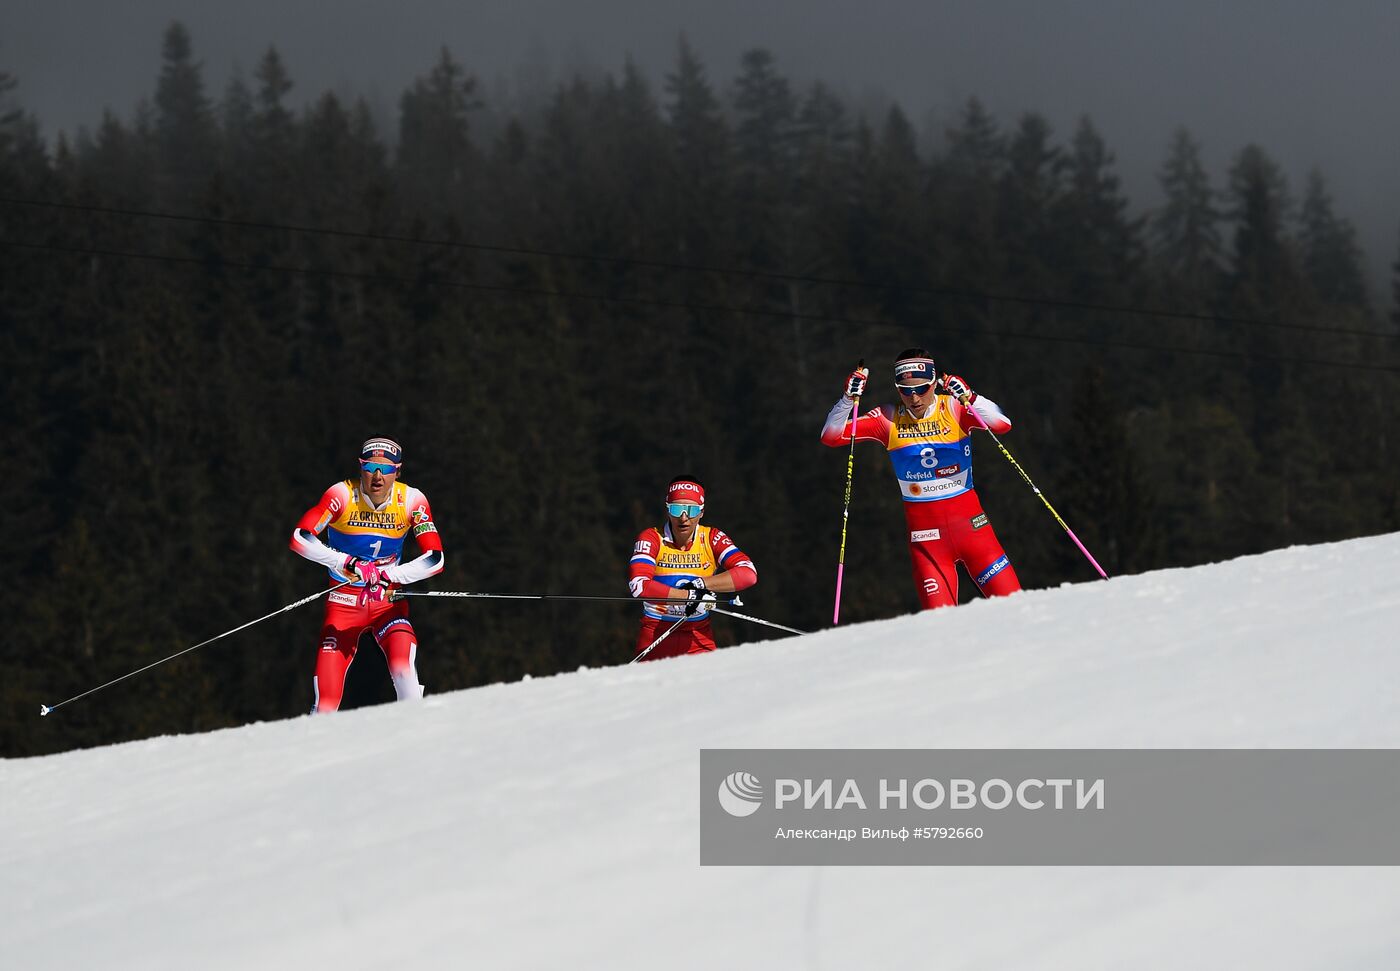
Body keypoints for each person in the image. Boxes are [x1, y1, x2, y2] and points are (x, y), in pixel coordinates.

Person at [820, 348, 1021, 610]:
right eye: (905, 390)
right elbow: (831, 436)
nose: (914, 398)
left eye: (922, 389)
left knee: (1019, 610)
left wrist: (971, 397)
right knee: (941, 631)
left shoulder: (953, 407)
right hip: (928, 545)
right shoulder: (887, 419)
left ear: (934, 381)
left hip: (976, 535)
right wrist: (847, 399)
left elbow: (1002, 424)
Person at [289, 437, 445, 712]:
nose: (377, 476)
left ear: (398, 471)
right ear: (360, 467)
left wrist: (391, 576)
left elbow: (435, 558)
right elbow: (300, 538)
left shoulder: (411, 500)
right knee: (326, 702)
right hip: (343, 603)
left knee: (404, 674)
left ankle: (415, 743)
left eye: (386, 470)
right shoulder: (341, 495)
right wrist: (346, 562)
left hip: (388, 602)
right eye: (370, 467)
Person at [627, 476, 757, 661]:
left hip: (698, 637)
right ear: (667, 508)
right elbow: (639, 585)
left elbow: (748, 573)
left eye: (691, 510)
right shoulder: (652, 537)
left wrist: (700, 584)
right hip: (656, 635)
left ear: (702, 512)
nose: (684, 517)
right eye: (677, 509)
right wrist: (687, 596)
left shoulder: (711, 538)